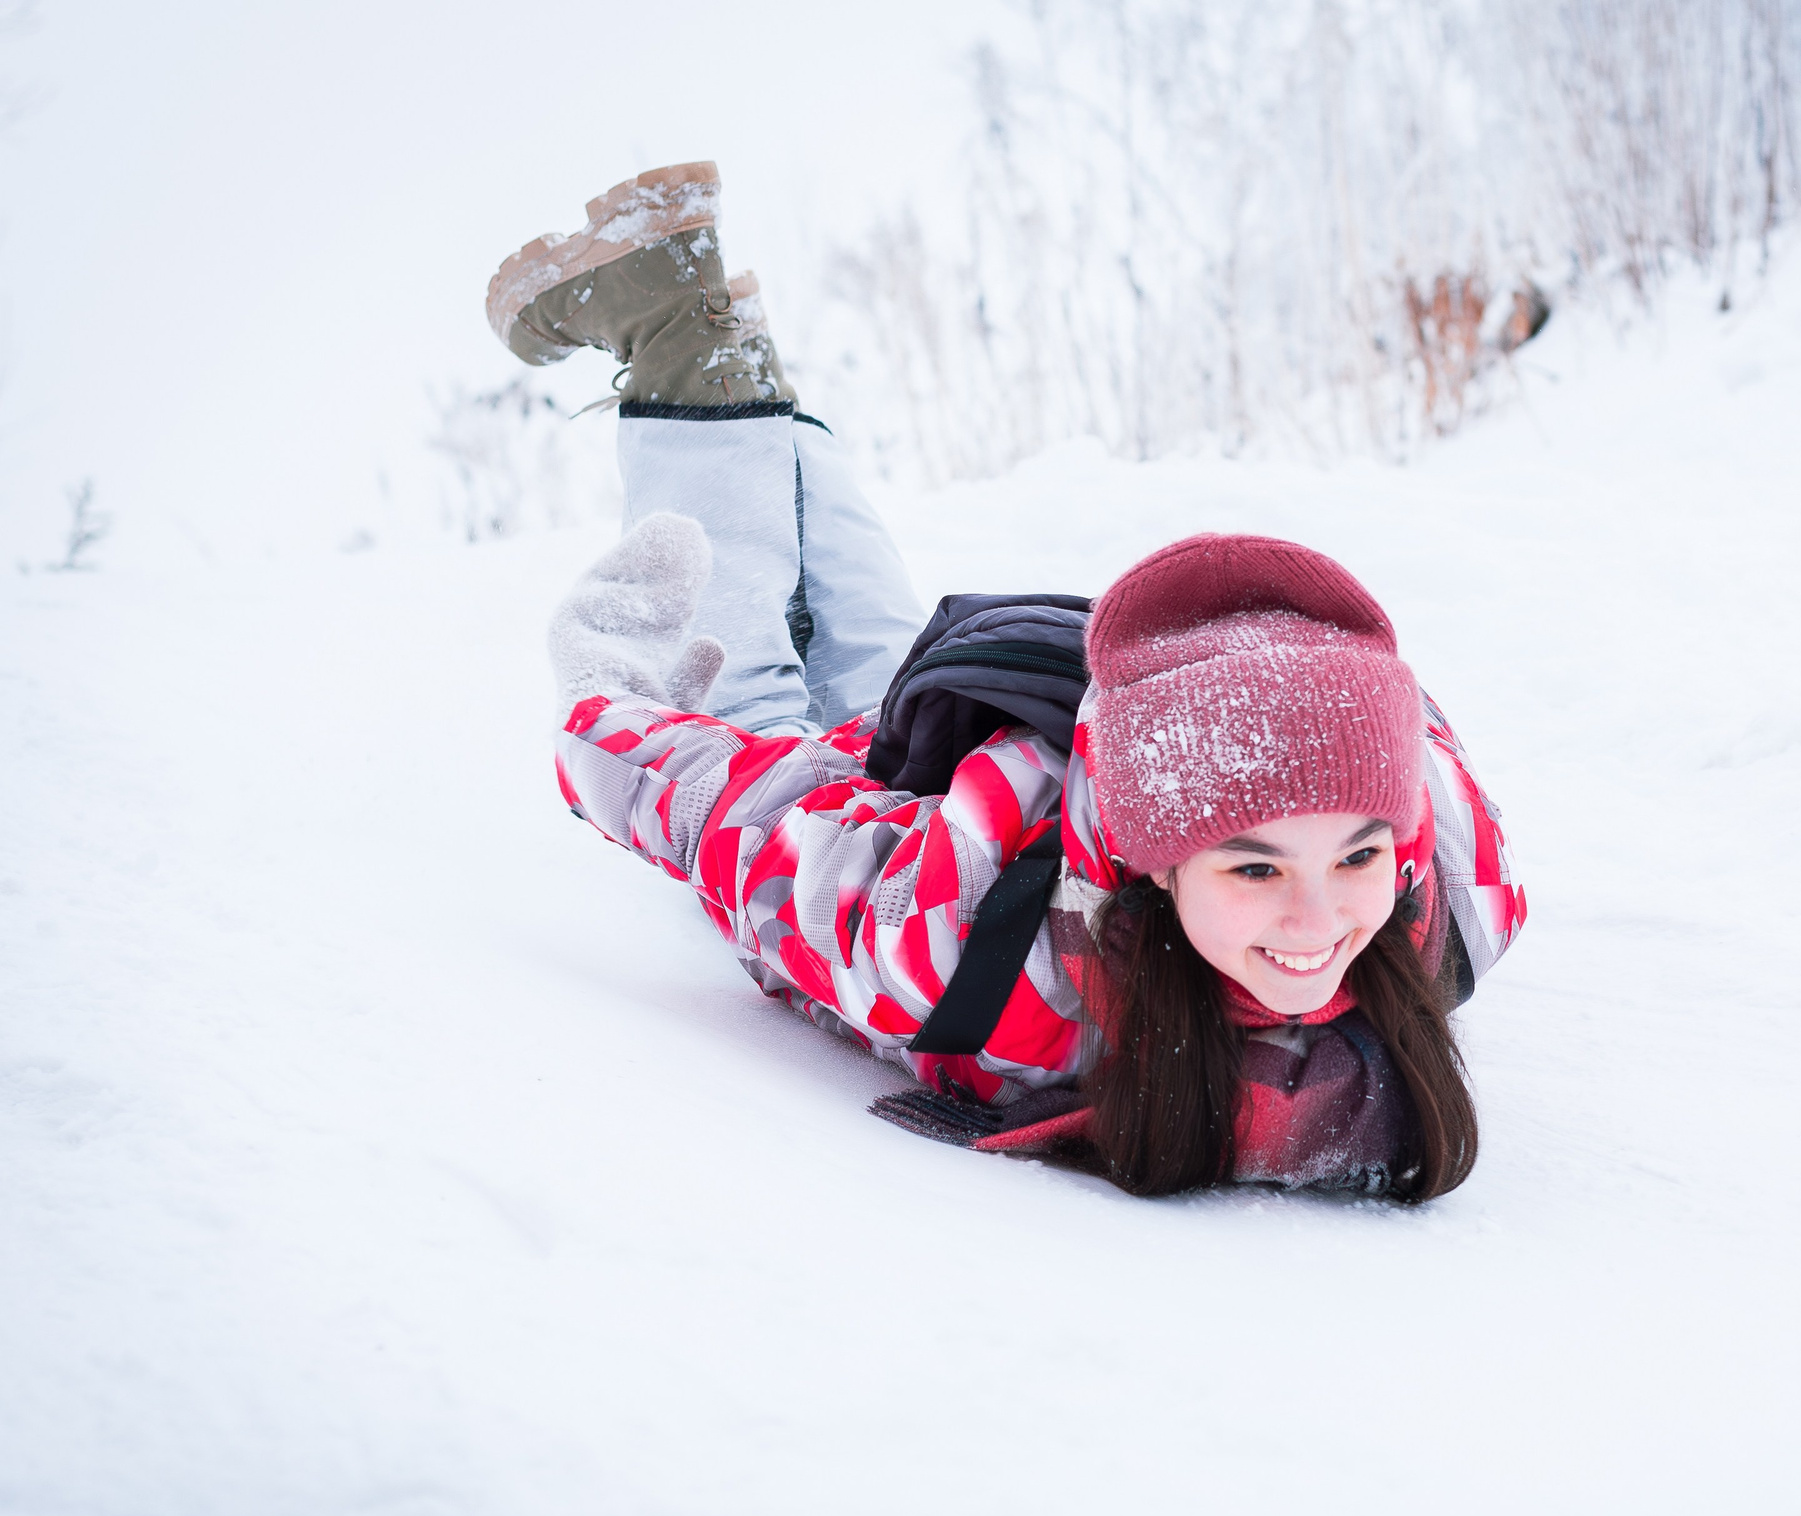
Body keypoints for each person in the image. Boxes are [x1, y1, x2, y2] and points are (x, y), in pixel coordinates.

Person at [495, 163, 1527, 1200]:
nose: (1316, 924)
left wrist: (1295, 704)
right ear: (1153, 867)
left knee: (881, 671)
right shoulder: (958, 940)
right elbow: (733, 818)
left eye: (1355, 856)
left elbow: (1403, 721)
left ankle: (713, 337)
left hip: (1047, 723)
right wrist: (608, 695)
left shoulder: (1455, 889)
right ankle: (680, 332)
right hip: (956, 801)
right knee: (753, 699)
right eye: (1254, 871)